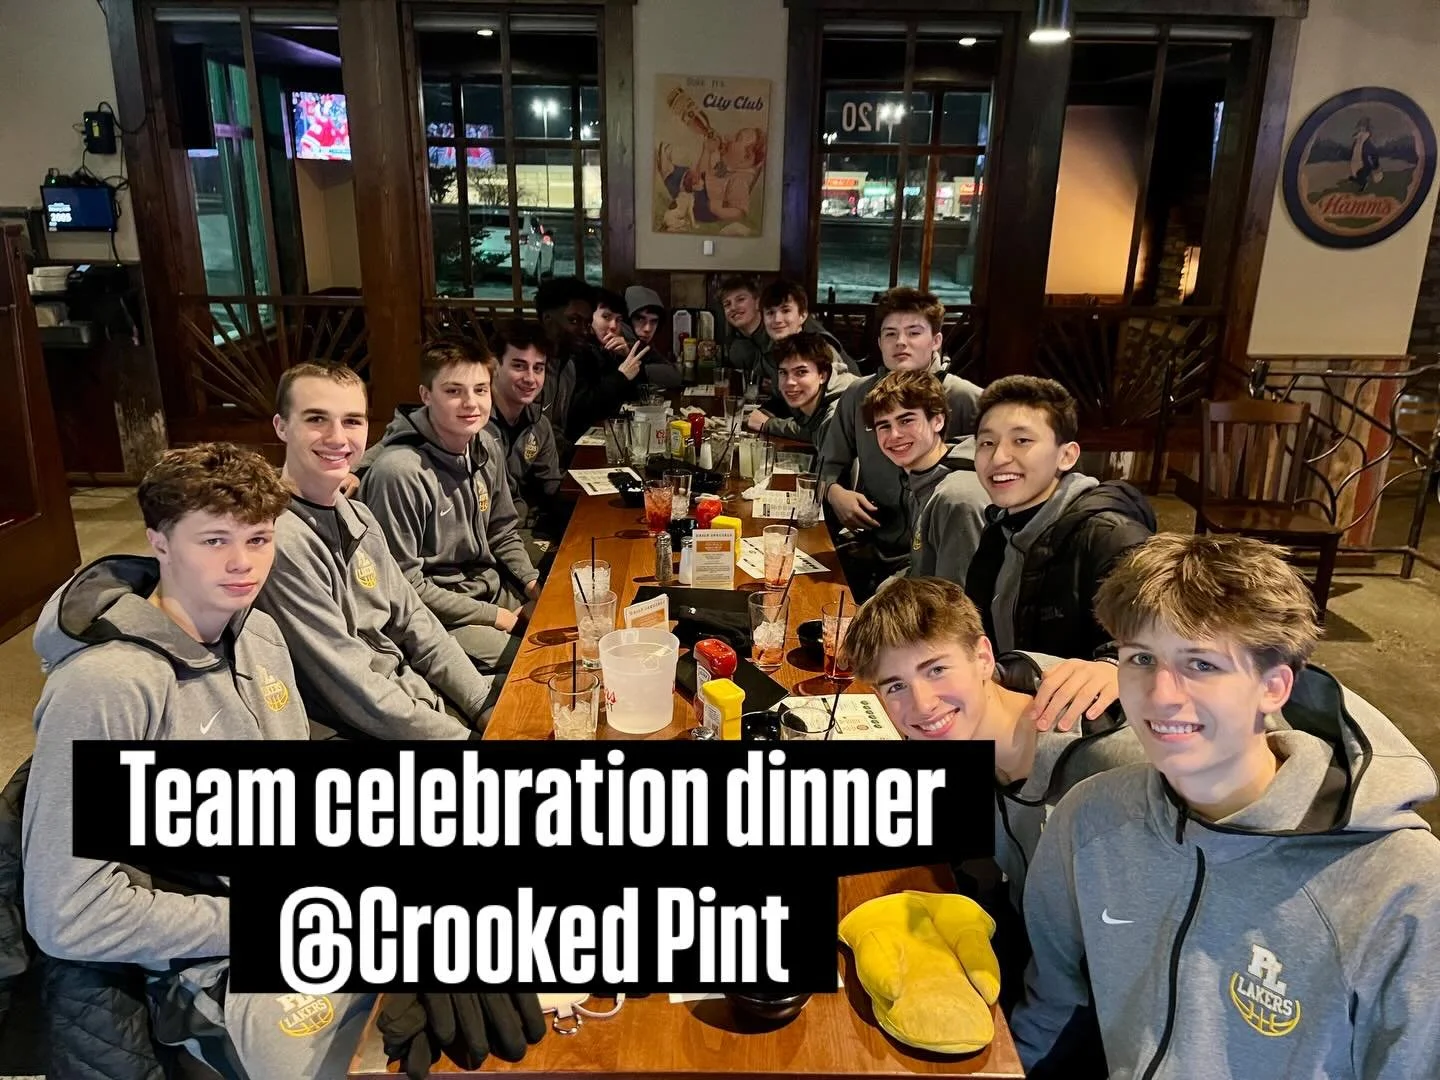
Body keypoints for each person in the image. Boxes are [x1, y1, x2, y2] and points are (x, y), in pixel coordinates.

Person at [1012, 533, 1440, 1079]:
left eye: (1202, 664)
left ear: (1274, 687)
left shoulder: (1403, 887)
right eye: (1141, 658)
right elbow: (1053, 1006)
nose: (1161, 694)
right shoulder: (1091, 818)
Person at [19, 443, 374, 1079]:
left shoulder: (259, 633)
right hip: (202, 962)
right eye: (214, 541)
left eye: (259, 539)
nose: (243, 563)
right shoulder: (107, 685)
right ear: (159, 542)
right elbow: (69, 913)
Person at [845, 576, 1146, 1010]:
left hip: (1105, 1007)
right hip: (1032, 961)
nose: (923, 704)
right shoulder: (966, 740)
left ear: (983, 657)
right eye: (896, 686)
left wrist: (1133, 669)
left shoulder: (1109, 760)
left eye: (936, 669)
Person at [257, 362, 490, 741]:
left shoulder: (358, 514)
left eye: (352, 421)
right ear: (281, 426)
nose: (337, 437)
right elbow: (353, 688)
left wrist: (483, 704)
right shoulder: (280, 541)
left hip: (414, 698)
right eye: (316, 419)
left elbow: (415, 622)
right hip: (364, 727)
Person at [966, 376, 1155, 730]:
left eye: (1022, 441)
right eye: (986, 443)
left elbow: (1167, 638)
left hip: (1080, 732)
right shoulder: (1000, 531)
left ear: (1066, 455)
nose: (999, 457)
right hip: (1014, 711)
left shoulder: (1109, 536)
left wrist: (1115, 665)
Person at [360, 339, 540, 675]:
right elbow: (404, 587)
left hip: (489, 590)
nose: (470, 403)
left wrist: (533, 584)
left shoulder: (485, 444)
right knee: (536, 666)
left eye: (480, 390)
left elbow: (502, 531)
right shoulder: (399, 472)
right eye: (454, 391)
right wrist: (497, 617)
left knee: (571, 632)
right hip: (434, 617)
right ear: (426, 395)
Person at [818, 286, 984, 597]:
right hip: (872, 542)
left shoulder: (966, 397)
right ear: (879, 342)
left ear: (936, 341)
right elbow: (827, 464)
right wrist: (835, 492)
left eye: (914, 332)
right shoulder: (858, 394)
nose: (901, 342)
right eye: (890, 334)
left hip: (936, 559)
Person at [863, 369, 988, 582]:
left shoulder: (956, 498)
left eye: (906, 420)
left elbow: (954, 598)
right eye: (884, 426)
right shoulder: (924, 477)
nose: (894, 435)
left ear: (937, 421)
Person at [535, 277, 647, 455]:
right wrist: (620, 377)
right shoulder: (532, 365)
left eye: (586, 323)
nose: (583, 330)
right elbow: (580, 414)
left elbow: (556, 430)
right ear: (547, 319)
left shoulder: (566, 365)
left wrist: (624, 361)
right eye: (573, 320)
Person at [486, 319, 565, 542]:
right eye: (519, 366)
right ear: (494, 365)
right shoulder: (473, 422)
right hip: (489, 536)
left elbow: (551, 486)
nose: (530, 379)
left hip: (522, 527)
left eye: (538, 368)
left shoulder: (539, 424)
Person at [744, 330, 856, 448]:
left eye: (801, 372)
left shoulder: (837, 413)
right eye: (783, 372)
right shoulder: (821, 404)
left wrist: (769, 425)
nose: (789, 382)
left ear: (823, 375)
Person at [757, 278, 852, 393]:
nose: (777, 319)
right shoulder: (771, 349)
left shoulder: (819, 349)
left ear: (802, 315)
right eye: (770, 313)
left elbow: (840, 395)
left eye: (786, 311)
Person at [624, 284, 683, 389]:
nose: (647, 328)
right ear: (627, 320)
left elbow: (674, 376)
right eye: (640, 319)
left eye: (654, 321)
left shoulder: (643, 345)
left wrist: (640, 371)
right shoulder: (619, 343)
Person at [719, 274, 769, 394]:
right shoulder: (735, 346)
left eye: (740, 299)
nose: (733, 308)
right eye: (727, 304)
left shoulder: (777, 331)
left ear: (758, 303)